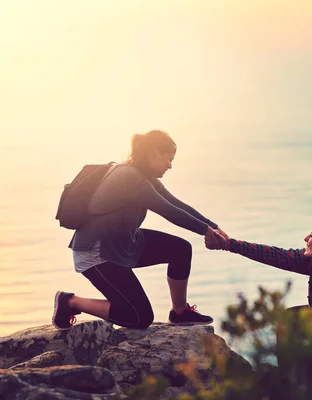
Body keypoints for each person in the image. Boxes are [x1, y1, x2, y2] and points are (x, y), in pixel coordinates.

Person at [52, 130, 228, 330]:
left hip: (124, 243)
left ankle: (179, 313)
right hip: (97, 253)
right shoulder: (130, 177)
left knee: (181, 249)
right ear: (154, 153)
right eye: (168, 159)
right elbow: (168, 211)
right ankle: (70, 301)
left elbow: (175, 203)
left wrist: (213, 227)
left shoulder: (143, 176)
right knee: (139, 317)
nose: (170, 165)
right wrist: (206, 231)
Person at [206, 218, 312, 328]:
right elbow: (274, 254)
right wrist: (229, 244)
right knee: (288, 319)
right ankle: (288, 375)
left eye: (311, 236)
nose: (305, 239)